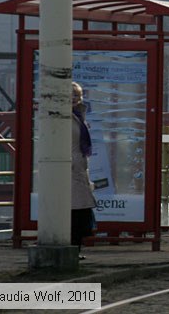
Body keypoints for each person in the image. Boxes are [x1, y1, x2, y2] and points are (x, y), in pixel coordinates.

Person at [71, 81, 97, 259]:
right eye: (70, 95)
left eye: (77, 95)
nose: (74, 99)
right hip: (70, 168)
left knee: (80, 212)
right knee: (75, 213)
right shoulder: (65, 117)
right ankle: (72, 249)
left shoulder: (79, 116)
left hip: (78, 168)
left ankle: (75, 248)